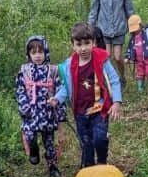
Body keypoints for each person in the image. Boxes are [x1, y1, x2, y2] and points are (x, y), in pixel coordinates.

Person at [51, 22, 122, 169]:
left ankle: (102, 162)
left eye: (87, 43)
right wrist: (57, 98)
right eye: (79, 44)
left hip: (99, 108)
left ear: (94, 43)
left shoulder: (101, 60)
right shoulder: (70, 65)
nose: (83, 48)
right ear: (73, 45)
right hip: (80, 112)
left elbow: (114, 80)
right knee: (86, 142)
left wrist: (116, 102)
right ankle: (89, 168)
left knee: (99, 138)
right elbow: (67, 87)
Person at [15, 34, 64, 177]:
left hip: (47, 113)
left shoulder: (53, 71)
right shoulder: (24, 71)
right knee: (30, 135)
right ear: (29, 54)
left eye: (40, 52)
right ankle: (33, 149)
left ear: (46, 52)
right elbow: (20, 90)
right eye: (33, 52)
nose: (37, 56)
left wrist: (58, 108)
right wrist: (24, 107)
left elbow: (60, 90)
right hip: (31, 113)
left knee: (49, 141)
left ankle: (52, 165)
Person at [87, 0, 134, 83]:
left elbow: (129, 8)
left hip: (119, 28)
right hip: (104, 29)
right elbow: (94, 9)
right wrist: (89, 27)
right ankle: (110, 81)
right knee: (106, 57)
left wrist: (133, 23)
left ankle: (122, 77)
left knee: (118, 57)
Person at [124, 14, 148, 92]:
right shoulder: (132, 38)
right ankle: (140, 88)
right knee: (140, 74)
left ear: (140, 25)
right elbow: (130, 48)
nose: (134, 31)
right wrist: (127, 57)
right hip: (139, 60)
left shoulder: (147, 33)